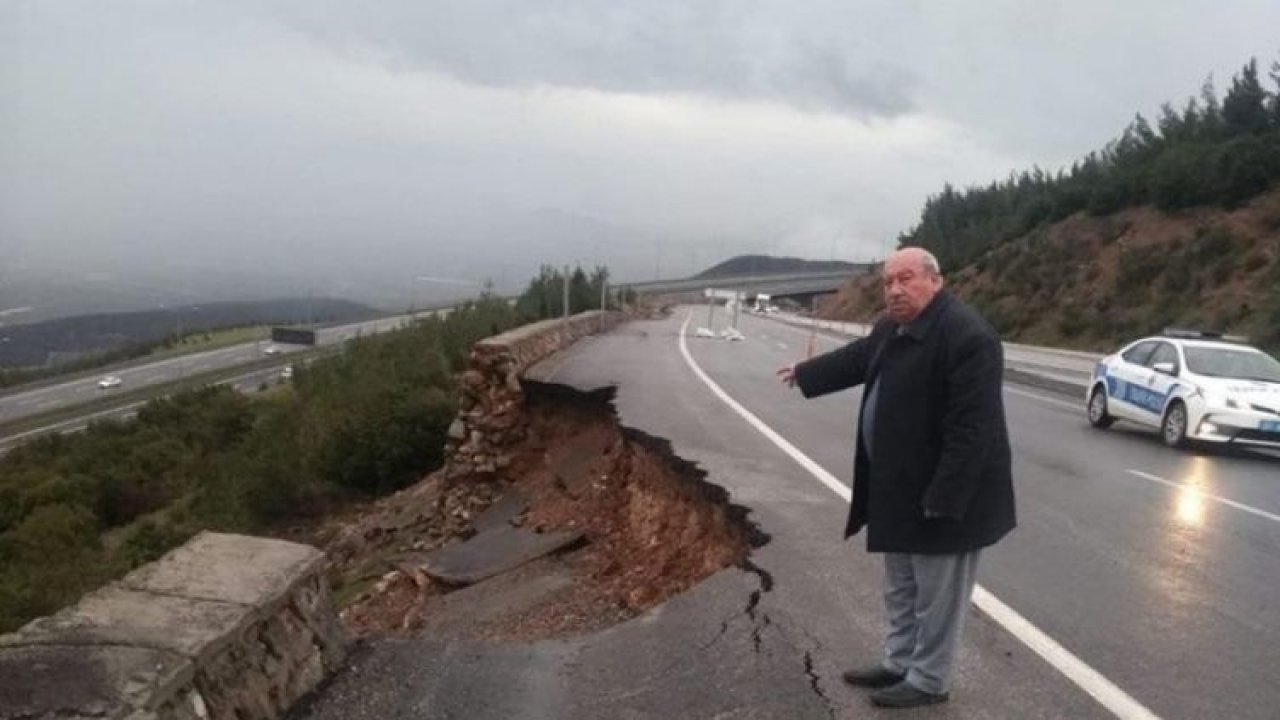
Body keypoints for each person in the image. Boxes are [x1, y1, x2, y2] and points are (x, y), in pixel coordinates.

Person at [777, 246, 1016, 709]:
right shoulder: (894, 327)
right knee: (902, 586)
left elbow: (973, 429)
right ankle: (898, 661)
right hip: (903, 489)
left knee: (937, 598)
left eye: (906, 279)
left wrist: (944, 498)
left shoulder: (968, 337)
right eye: (888, 282)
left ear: (935, 280)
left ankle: (929, 679)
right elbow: (859, 357)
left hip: (947, 498)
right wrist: (807, 373)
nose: (895, 290)